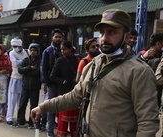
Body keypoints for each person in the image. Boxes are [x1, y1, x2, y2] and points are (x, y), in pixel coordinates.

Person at [31, 9, 159, 137]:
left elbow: (147, 122)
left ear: (125, 36)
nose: (104, 38)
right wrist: (43, 107)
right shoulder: (93, 64)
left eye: (111, 32)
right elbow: (75, 96)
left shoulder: (139, 72)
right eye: (102, 33)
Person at [50, 41, 79, 137]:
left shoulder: (78, 59)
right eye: (61, 49)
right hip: (63, 93)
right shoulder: (60, 60)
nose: (62, 51)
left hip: (75, 93)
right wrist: (62, 81)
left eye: (65, 49)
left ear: (70, 49)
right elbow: (52, 76)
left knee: (75, 122)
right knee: (63, 122)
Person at [40, 28, 64, 137]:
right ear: (52, 38)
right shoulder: (47, 51)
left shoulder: (64, 50)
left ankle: (60, 130)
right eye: (56, 37)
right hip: (52, 84)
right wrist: (47, 83)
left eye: (60, 37)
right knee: (51, 107)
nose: (58, 39)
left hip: (62, 83)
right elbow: (44, 69)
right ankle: (50, 131)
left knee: (62, 106)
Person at [13, 43, 41, 128]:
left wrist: (27, 72)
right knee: (22, 104)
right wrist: (30, 68)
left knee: (34, 106)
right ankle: (20, 121)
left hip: (35, 87)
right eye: (31, 50)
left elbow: (38, 72)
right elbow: (20, 70)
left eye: (34, 50)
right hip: (25, 86)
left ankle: (31, 123)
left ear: (37, 51)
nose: (32, 52)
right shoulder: (26, 60)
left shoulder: (40, 61)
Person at [6, 38, 29, 125]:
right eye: (13, 46)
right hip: (15, 78)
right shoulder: (11, 53)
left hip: (23, 78)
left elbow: (27, 62)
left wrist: (22, 63)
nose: (14, 48)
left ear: (20, 46)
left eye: (15, 46)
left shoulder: (26, 52)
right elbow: (15, 63)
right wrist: (23, 62)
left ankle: (20, 118)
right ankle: (9, 117)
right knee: (12, 99)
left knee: (21, 100)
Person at [137, 32, 163, 108]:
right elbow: (132, 68)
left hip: (157, 97)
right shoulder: (143, 54)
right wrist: (143, 58)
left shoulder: (160, 56)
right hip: (145, 96)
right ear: (158, 44)